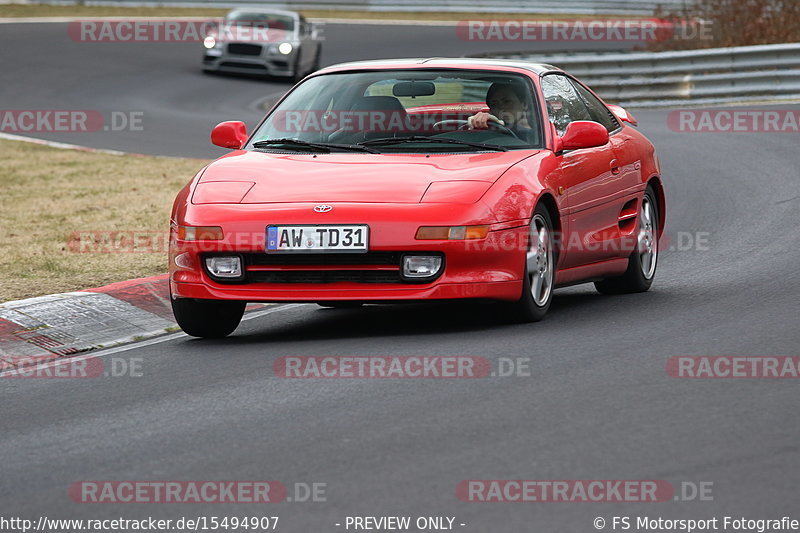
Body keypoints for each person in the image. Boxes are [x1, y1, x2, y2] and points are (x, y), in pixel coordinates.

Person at [468, 82, 533, 137]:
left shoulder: (539, 134)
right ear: (491, 111)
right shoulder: (490, 131)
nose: (500, 107)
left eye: (507, 102)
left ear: (524, 104)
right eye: (494, 104)